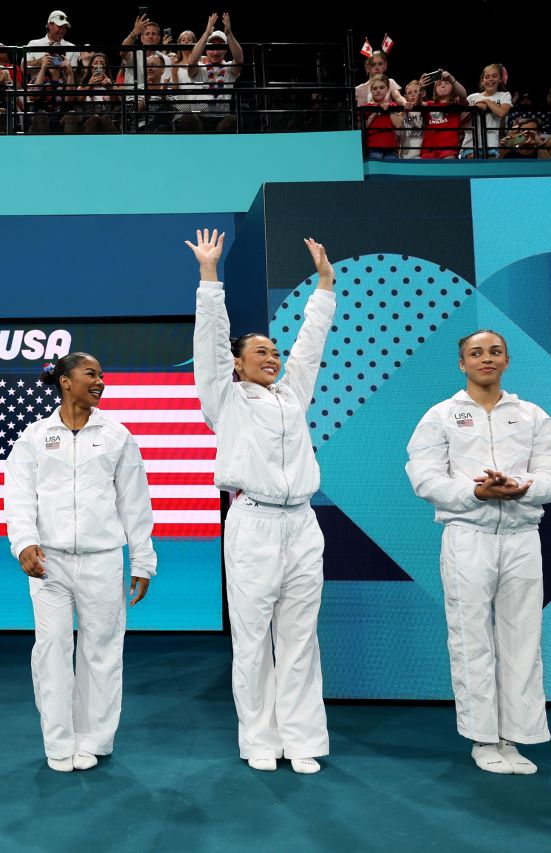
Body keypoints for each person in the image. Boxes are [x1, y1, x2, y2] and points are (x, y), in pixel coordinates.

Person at [187, 228, 336, 774]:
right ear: (236, 363)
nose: (272, 357)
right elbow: (210, 339)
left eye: (274, 351)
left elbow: (311, 346)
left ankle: (300, 740)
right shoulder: (223, 400)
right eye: (260, 351)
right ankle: (258, 740)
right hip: (251, 522)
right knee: (252, 639)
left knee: (300, 636)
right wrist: (209, 276)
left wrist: (324, 286)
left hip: (302, 524)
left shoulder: (293, 395)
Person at [405, 330, 551, 775]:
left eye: (494, 351)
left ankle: (516, 737)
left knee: (522, 637)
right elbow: (425, 477)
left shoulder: (532, 415)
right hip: (467, 536)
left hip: (521, 537)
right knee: (471, 637)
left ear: (507, 360)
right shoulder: (441, 415)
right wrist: (476, 491)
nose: (486, 358)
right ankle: (482, 739)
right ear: (462, 364)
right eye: (476, 353)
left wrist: (523, 488)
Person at [3, 352, 156, 773]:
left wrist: (142, 559)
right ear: (65, 381)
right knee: (52, 649)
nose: (100, 380)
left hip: (103, 560)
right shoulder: (34, 436)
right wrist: (24, 545)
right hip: (48, 563)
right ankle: (58, 742)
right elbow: (17, 497)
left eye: (103, 375)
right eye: (91, 373)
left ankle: (94, 741)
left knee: (102, 652)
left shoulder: (118, 436)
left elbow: (135, 503)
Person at [466, 63, 512, 153]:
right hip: (470, 144)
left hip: (491, 144)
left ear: (500, 79)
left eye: (495, 76)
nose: (490, 79)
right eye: (487, 77)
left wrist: (486, 101)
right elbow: (463, 121)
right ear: (482, 81)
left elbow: (502, 113)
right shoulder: (471, 97)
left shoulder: (505, 95)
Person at [419, 72, 465, 159]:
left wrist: (451, 78)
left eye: (447, 83)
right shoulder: (429, 104)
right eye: (439, 84)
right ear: (435, 89)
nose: (443, 86)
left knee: (448, 171)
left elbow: (463, 95)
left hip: (448, 150)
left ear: (453, 87)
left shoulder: (455, 104)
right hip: (428, 150)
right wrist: (419, 89)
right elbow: (418, 105)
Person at [361, 73, 403, 159]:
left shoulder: (393, 105)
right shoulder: (366, 107)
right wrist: (374, 113)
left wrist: (389, 110)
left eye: (381, 87)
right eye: (375, 88)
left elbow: (398, 125)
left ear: (387, 89)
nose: (378, 91)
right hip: (373, 149)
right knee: (375, 171)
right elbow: (363, 127)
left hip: (390, 148)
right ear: (371, 91)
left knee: (392, 171)